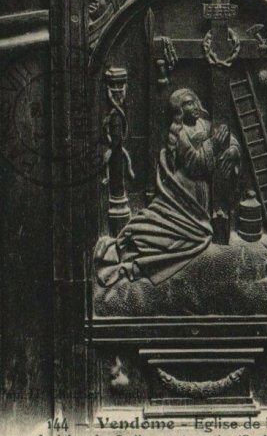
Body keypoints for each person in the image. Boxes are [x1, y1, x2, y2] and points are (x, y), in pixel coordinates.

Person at [94, 89, 240, 287]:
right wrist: (213, 145)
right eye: (187, 104)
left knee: (180, 233)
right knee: (187, 235)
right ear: (179, 111)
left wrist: (233, 150)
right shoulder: (180, 134)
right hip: (183, 192)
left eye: (194, 101)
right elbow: (195, 165)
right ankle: (124, 249)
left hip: (200, 194)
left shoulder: (205, 124)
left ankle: (129, 250)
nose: (194, 107)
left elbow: (229, 138)